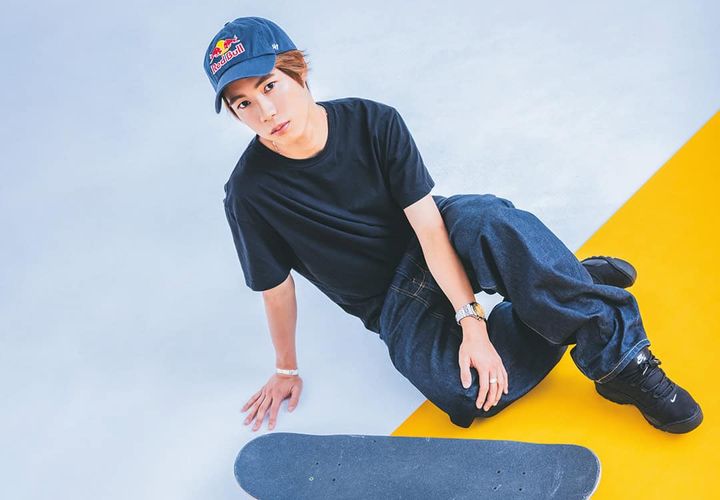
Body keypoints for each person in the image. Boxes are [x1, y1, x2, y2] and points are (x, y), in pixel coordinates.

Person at [203, 17, 703, 433]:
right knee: (470, 395)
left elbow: (428, 228)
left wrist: (473, 324)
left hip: (435, 235)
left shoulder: (374, 122)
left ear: (298, 72)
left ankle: (621, 362)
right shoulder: (249, 194)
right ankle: (562, 283)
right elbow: (276, 289)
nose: (266, 111)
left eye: (269, 86)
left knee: (491, 224)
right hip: (392, 302)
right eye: (243, 103)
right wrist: (285, 368)